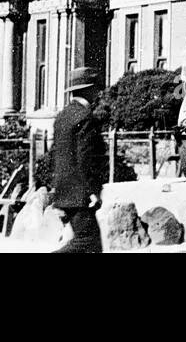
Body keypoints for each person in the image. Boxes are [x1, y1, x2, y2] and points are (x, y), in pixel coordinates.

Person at [51, 67, 107, 253]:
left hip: (64, 190)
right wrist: (92, 191)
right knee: (88, 242)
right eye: (96, 88)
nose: (99, 93)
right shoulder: (85, 117)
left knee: (87, 243)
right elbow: (85, 160)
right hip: (79, 193)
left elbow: (58, 154)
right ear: (89, 90)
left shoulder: (62, 116)